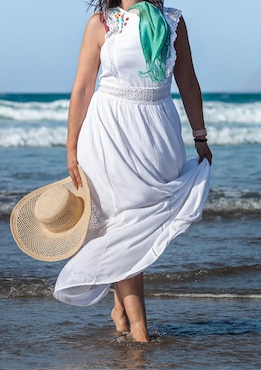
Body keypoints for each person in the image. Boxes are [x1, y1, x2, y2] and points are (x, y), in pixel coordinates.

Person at [56, 0, 212, 343]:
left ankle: (119, 305)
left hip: (157, 131)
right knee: (124, 222)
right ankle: (140, 328)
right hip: (108, 132)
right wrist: (70, 147)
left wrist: (200, 135)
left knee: (136, 222)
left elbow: (187, 81)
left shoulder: (172, 22)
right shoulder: (102, 23)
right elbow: (83, 87)